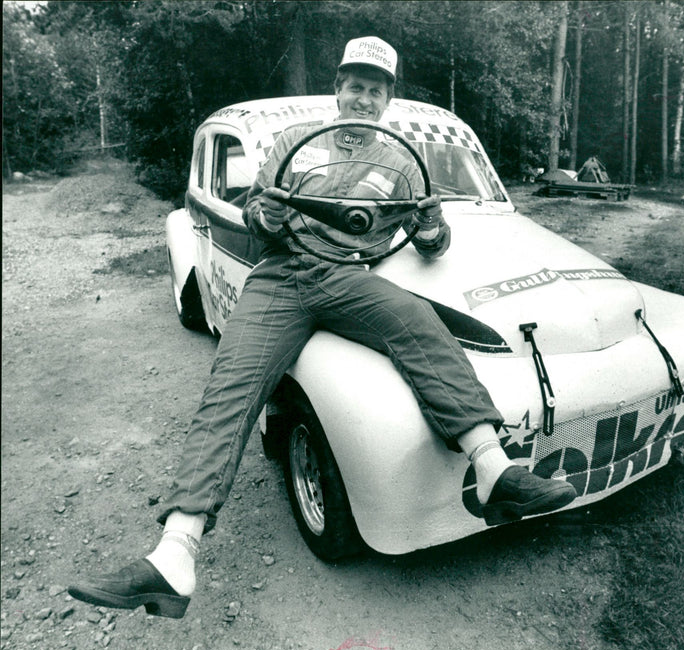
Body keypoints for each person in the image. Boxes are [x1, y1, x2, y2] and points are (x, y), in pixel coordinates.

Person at [68, 36, 576, 620]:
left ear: (388, 99)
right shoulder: (293, 143)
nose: (363, 97)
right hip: (281, 275)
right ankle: (175, 554)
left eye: (376, 89)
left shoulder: (402, 161)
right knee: (232, 384)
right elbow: (258, 219)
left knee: (419, 323)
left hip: (346, 277)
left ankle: (492, 469)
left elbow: (431, 244)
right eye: (355, 86)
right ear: (339, 90)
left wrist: (433, 224)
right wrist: (267, 212)